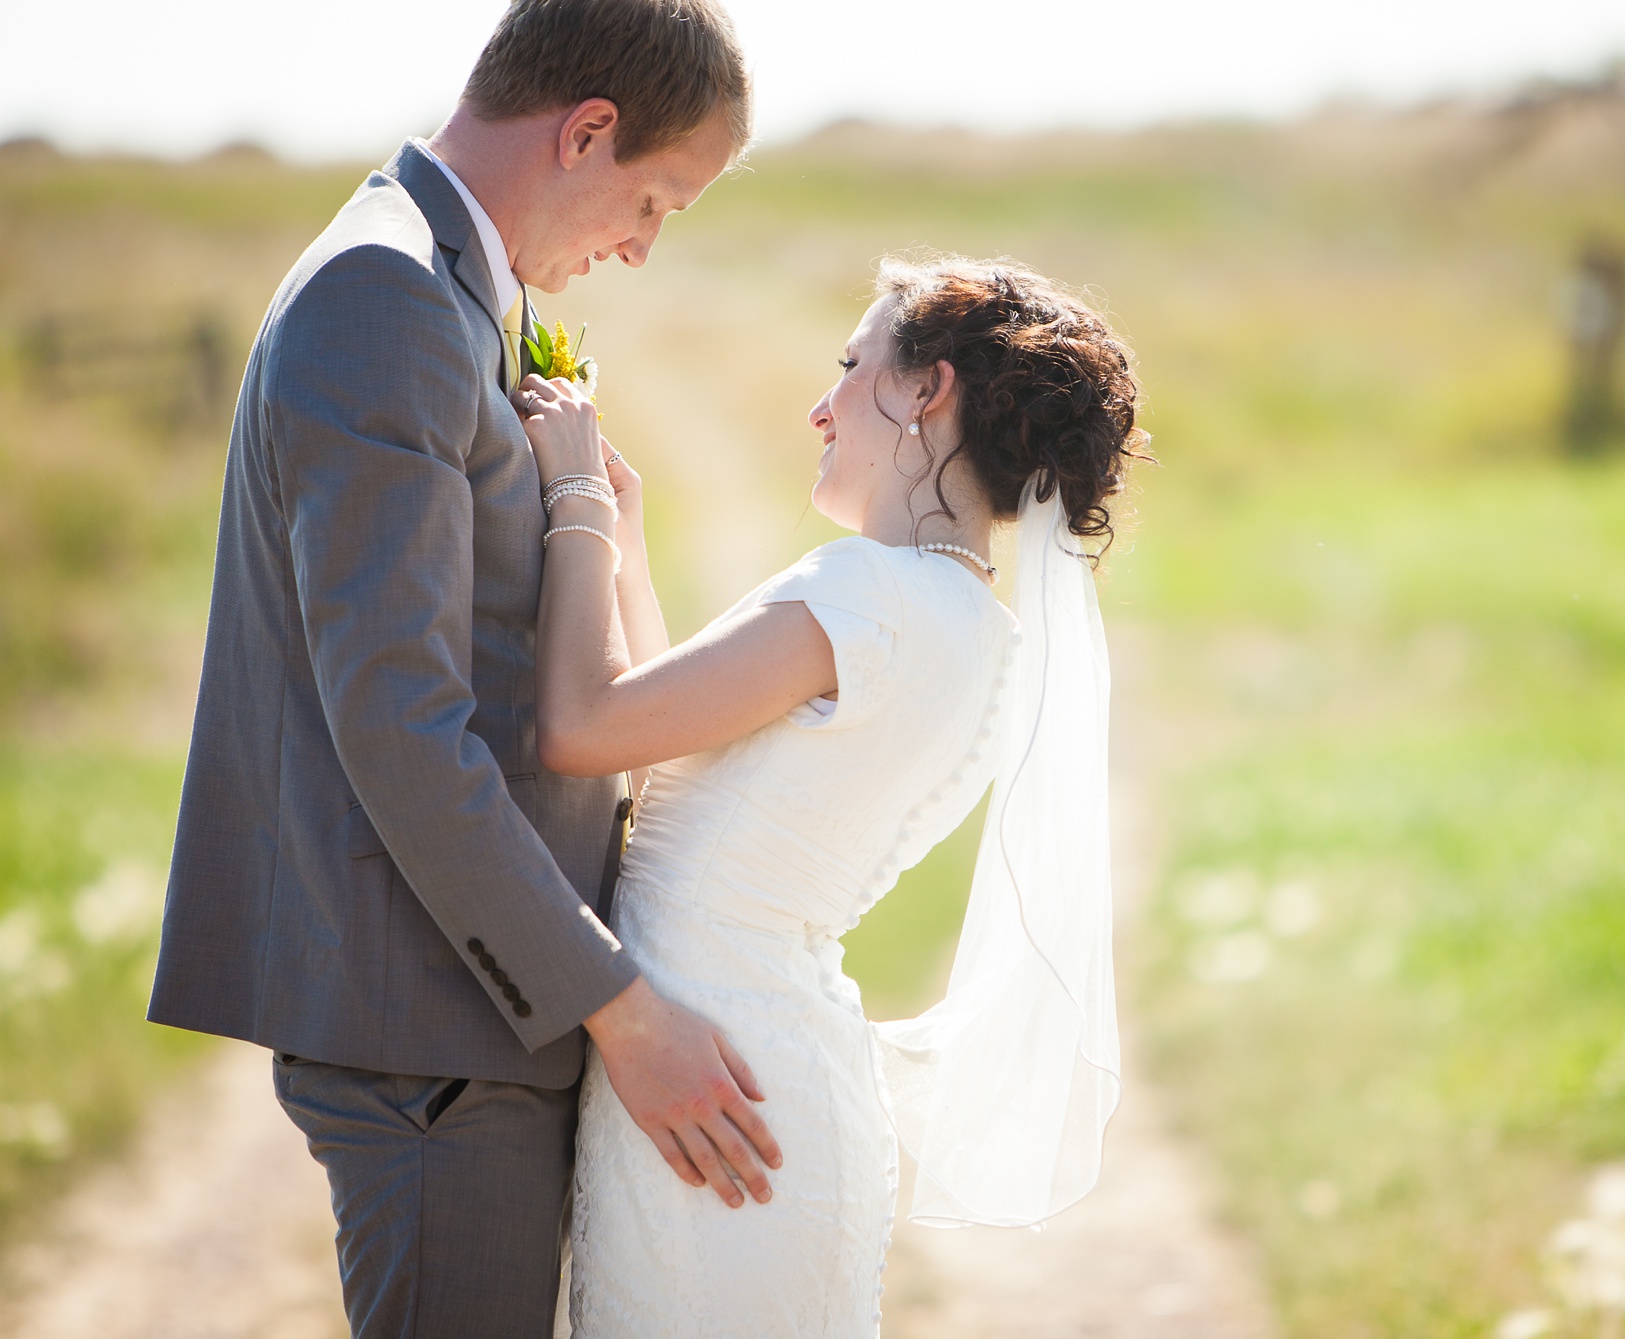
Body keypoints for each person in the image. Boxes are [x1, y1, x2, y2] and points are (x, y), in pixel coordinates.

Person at [146, 4, 771, 1335]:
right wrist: (623, 1006)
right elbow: (402, 728)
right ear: (588, 130)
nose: (643, 249)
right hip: (432, 1029)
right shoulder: (383, 299)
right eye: (654, 201)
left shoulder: (443, 283)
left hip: (472, 1019)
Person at [515, 256, 1145, 1337]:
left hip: (711, 1089)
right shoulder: (971, 627)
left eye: (851, 367)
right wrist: (622, 536)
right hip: (746, 1074)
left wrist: (568, 493)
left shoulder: (864, 594)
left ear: (925, 389)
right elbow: (662, 756)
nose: (823, 404)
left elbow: (582, 729)